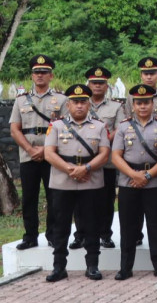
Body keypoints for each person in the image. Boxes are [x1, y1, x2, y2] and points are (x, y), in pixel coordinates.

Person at [43, 84, 110, 282]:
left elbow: (104, 154)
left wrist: (85, 169)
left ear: (89, 104)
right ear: (69, 104)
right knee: (60, 225)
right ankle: (58, 267)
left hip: (91, 181)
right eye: (75, 102)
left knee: (92, 224)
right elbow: (49, 153)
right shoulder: (56, 126)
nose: (79, 106)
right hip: (63, 181)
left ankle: (92, 265)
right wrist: (70, 170)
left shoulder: (100, 126)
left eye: (83, 102)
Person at [111, 84, 157, 280]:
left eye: (146, 102)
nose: (143, 106)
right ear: (133, 105)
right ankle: (125, 268)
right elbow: (116, 156)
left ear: (153, 104)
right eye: (139, 103)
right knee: (128, 227)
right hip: (129, 183)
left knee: (156, 226)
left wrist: (147, 176)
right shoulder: (123, 127)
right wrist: (134, 175)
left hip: (153, 183)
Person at [10, 54, 66, 250]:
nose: (40, 75)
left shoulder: (61, 99)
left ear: (51, 75)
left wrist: (46, 150)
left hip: (52, 156)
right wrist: (30, 149)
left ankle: (52, 235)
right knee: (29, 197)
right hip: (28, 155)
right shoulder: (21, 101)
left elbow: (65, 128)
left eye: (44, 72)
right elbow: (15, 129)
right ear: (32, 75)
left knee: (54, 197)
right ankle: (30, 236)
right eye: (36, 72)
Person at [67, 66, 122, 251]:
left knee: (106, 201)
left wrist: (102, 141)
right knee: (79, 201)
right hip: (81, 162)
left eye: (101, 83)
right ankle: (80, 235)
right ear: (88, 84)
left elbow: (120, 130)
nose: (97, 86)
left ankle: (105, 235)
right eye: (94, 83)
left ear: (107, 86)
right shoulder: (79, 102)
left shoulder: (116, 106)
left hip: (105, 162)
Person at [119, 57, 157, 122]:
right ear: (141, 75)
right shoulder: (132, 96)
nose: (149, 77)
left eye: (152, 74)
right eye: (146, 74)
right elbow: (127, 121)